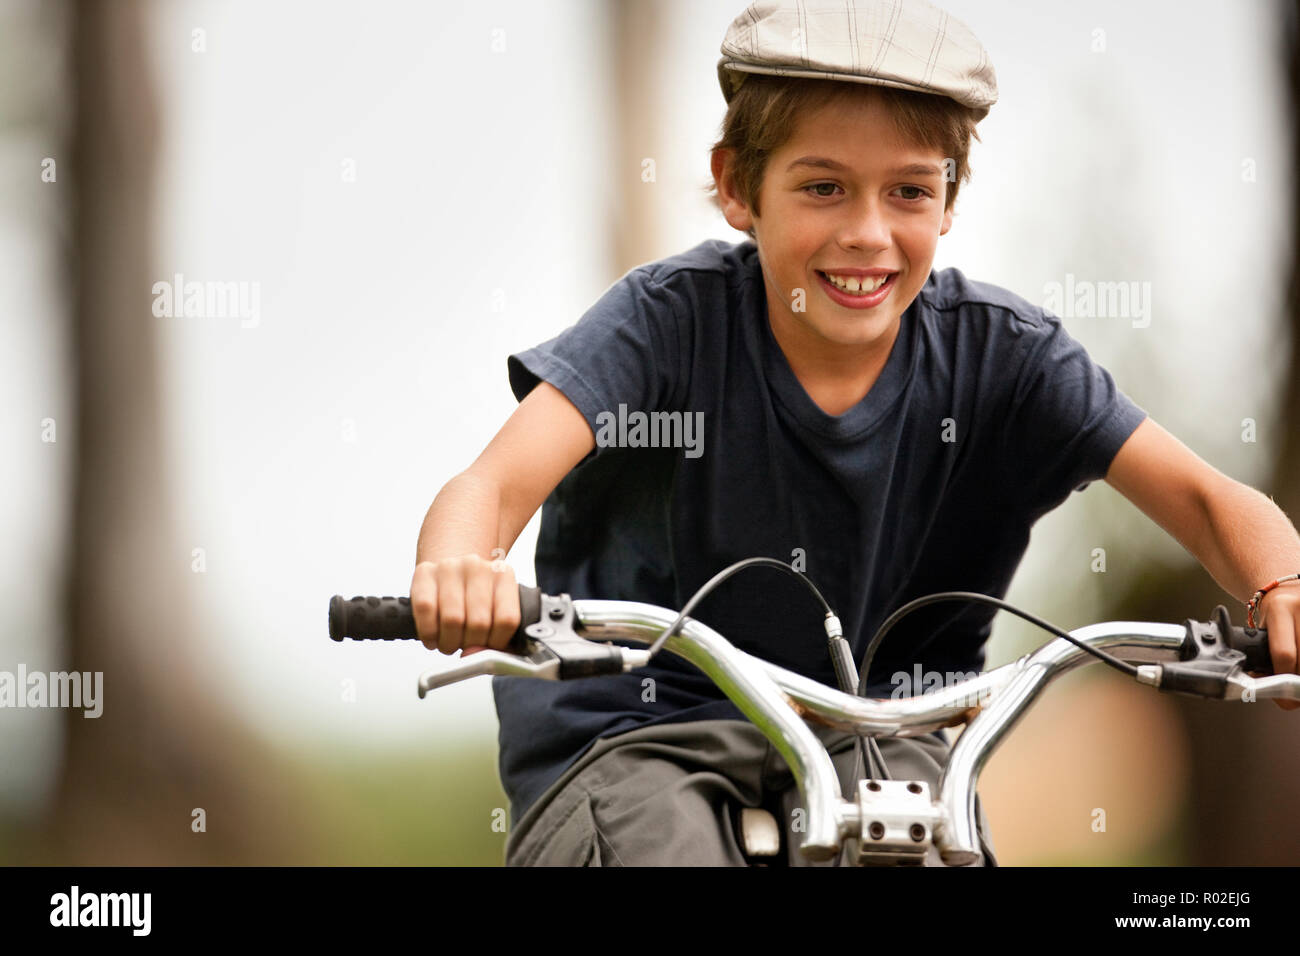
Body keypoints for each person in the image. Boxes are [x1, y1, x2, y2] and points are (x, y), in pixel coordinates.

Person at [411, 0, 1300, 866]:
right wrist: (462, 568)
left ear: (950, 200)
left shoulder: (1007, 360)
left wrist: (1281, 584)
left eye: (909, 190)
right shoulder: (666, 324)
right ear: (735, 185)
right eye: (824, 187)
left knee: (937, 845)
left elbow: (1207, 499)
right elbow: (489, 488)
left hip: (889, 742)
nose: (867, 233)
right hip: (639, 734)